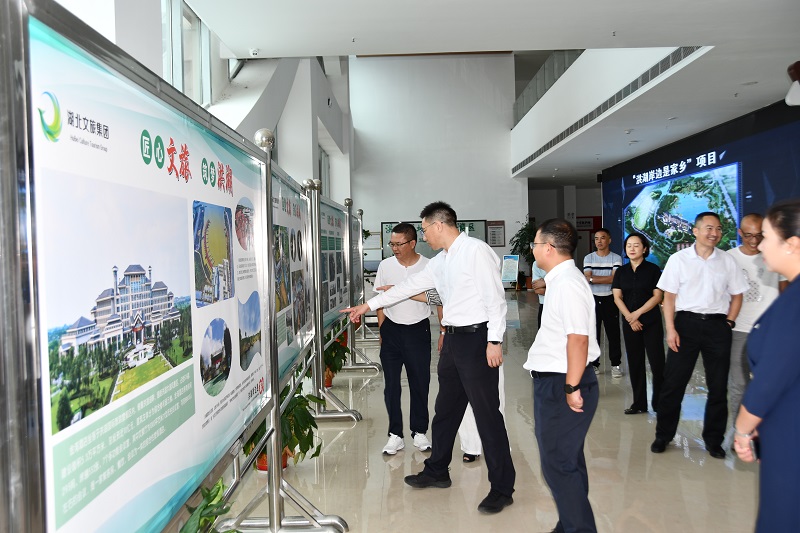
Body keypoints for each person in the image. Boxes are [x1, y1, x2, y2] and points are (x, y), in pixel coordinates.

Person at [343, 201, 515, 514]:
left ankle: (502, 487)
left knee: (487, 414)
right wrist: (368, 306)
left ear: (439, 225)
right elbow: (408, 287)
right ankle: (437, 471)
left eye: (424, 230)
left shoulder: (475, 252)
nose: (424, 237)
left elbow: (496, 300)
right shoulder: (441, 261)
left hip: (477, 340)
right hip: (453, 339)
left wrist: (494, 341)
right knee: (445, 410)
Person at [523, 218, 600, 533]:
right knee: (568, 460)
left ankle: (579, 528)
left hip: (563, 382)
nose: (533, 249)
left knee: (558, 463)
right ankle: (570, 524)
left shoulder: (567, 283)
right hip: (559, 380)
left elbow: (578, 339)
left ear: (549, 248)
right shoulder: (561, 280)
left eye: (536, 243)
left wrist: (571, 387)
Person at [651, 212, 748, 459]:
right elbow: (669, 297)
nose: (714, 233)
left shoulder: (727, 261)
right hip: (686, 325)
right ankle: (663, 435)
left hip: (718, 327)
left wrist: (729, 322)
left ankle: (714, 440)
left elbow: (737, 294)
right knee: (673, 383)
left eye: (718, 229)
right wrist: (671, 329)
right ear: (695, 231)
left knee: (718, 387)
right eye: (709, 228)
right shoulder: (678, 259)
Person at [733, 198, 800, 532]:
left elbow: (771, 378)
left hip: (790, 432)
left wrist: (743, 429)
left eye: (768, 237)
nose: (760, 245)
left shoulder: (795, 303)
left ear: (792, 245)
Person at [373, 223, 433, 455]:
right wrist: (382, 330)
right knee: (391, 385)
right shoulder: (385, 265)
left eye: (399, 244)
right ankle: (395, 435)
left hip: (418, 330)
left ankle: (419, 431)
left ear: (413, 243)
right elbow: (381, 300)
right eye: (392, 244)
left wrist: (444, 331)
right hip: (391, 330)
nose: (395, 248)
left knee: (420, 382)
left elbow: (437, 298)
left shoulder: (428, 266)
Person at [725, 214, 787, 419]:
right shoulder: (729, 258)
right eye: (748, 235)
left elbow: (786, 292)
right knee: (739, 384)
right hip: (738, 331)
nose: (754, 241)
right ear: (739, 233)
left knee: (770, 382)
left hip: (770, 331)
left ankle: (766, 428)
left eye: (759, 235)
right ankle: (739, 430)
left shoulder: (775, 255)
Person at [611, 232, 665, 414]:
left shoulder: (653, 270)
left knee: (657, 363)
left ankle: (659, 403)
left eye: (636, 245)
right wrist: (630, 317)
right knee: (635, 362)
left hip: (651, 322)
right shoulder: (621, 272)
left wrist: (637, 314)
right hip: (630, 323)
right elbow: (617, 297)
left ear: (644, 249)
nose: (632, 249)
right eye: (629, 246)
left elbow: (657, 296)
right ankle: (639, 403)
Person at [583, 228, 623, 377]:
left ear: (609, 240)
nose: (599, 241)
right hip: (593, 299)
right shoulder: (589, 258)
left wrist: (593, 279)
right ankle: (594, 364)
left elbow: (614, 279)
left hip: (611, 299)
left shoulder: (616, 258)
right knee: (593, 333)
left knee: (613, 333)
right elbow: (587, 278)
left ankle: (615, 365)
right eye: (596, 238)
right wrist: (600, 279)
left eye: (602, 238)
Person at [531, 259, 547, 330]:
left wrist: (545, 282)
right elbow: (538, 290)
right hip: (544, 305)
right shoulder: (537, 264)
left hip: (560, 305)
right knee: (543, 333)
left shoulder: (560, 263)